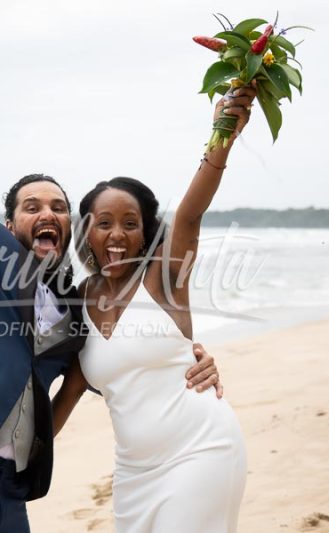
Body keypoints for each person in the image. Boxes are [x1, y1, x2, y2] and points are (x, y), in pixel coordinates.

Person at [0, 2, 226, 531]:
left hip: (11, 490)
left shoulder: (78, 306)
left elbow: (118, 357)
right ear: (8, 222)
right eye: (32, 206)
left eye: (60, 207)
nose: (48, 213)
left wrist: (192, 357)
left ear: (72, 228)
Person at [51, 85, 257, 531]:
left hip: (201, 451)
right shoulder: (78, 304)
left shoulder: (164, 279)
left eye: (130, 224)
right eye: (103, 224)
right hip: (134, 476)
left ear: (146, 233)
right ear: (86, 232)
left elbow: (189, 214)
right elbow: (66, 397)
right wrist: (4, 464)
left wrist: (222, 135)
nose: (117, 235)